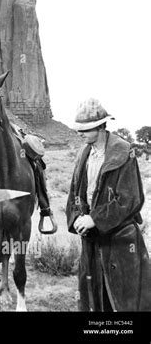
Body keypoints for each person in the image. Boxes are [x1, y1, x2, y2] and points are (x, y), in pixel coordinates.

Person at [66, 98, 151, 311]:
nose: (80, 133)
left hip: (120, 242)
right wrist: (77, 217)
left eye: (85, 129)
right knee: (95, 300)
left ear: (101, 126)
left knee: (127, 302)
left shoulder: (123, 152)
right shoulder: (84, 155)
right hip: (92, 242)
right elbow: (75, 194)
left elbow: (130, 199)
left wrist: (95, 218)